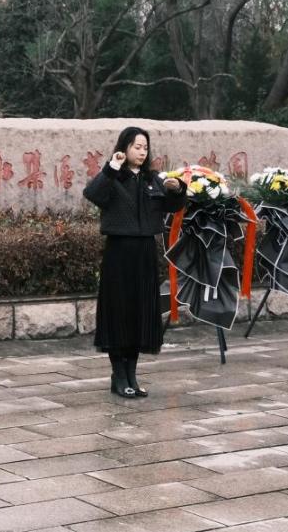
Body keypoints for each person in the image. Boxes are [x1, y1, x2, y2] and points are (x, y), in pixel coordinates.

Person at [83, 127, 186, 398]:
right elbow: (93, 194)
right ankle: (119, 376)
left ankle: (132, 375)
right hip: (119, 253)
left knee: (140, 313)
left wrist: (177, 190)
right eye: (136, 147)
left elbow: (173, 206)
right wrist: (111, 167)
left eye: (145, 147)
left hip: (145, 253)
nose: (142, 152)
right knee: (119, 313)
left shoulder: (152, 179)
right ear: (124, 147)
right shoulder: (113, 176)